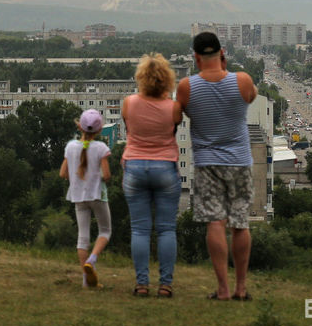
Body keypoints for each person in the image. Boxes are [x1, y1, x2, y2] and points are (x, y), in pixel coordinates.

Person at [176, 31, 257, 301]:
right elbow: (251, 97)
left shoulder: (187, 86)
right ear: (222, 53)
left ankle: (222, 289)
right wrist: (225, 70)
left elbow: (183, 112)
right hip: (240, 161)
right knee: (240, 223)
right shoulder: (242, 81)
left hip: (207, 162)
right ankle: (241, 288)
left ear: (196, 57)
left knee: (215, 222)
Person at [121, 53, 183, 297]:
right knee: (166, 229)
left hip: (135, 167)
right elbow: (173, 129)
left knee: (140, 230)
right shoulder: (173, 107)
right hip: (165, 168)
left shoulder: (129, 103)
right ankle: (165, 285)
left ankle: (142, 284)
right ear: (166, 80)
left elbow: (129, 128)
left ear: (141, 78)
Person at [60, 109, 112, 288]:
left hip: (78, 197)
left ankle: (86, 280)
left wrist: (76, 179)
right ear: (98, 130)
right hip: (98, 195)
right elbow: (106, 175)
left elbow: (62, 173)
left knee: (83, 237)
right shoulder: (101, 148)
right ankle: (93, 258)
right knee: (105, 231)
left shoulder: (70, 146)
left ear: (80, 126)